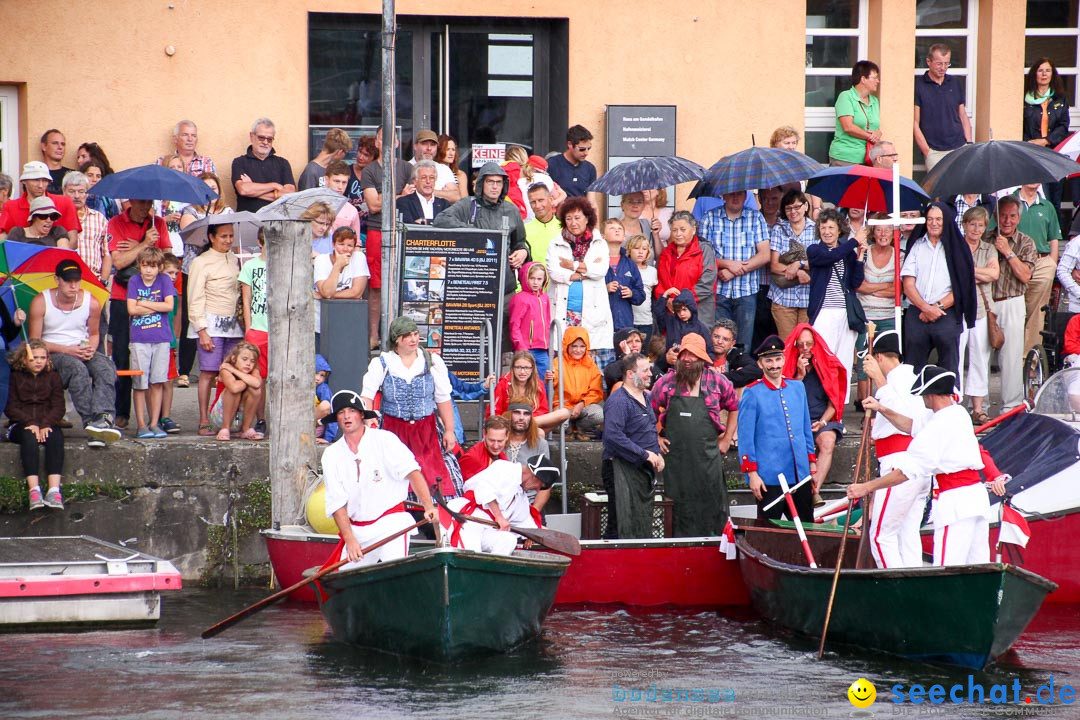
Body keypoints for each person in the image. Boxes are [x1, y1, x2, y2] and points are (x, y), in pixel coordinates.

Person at [847, 365, 1008, 566]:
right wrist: (882, 409)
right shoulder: (958, 413)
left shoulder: (938, 427)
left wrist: (866, 487)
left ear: (931, 395)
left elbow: (905, 473)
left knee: (947, 570)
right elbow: (912, 425)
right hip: (976, 500)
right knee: (978, 568)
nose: (922, 399)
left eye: (923, 394)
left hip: (955, 504)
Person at [322, 390, 438, 569]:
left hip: (391, 524)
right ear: (336, 418)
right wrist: (350, 540)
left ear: (361, 415)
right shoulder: (331, 454)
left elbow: (412, 472)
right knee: (342, 577)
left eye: (351, 411)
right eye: (341, 412)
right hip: (357, 531)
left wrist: (428, 506)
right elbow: (337, 502)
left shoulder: (385, 440)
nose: (347, 416)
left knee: (394, 570)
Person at [360, 316, 462, 501]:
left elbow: (443, 398)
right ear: (396, 339)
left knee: (436, 476)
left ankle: (436, 520)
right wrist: (369, 418)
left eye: (415, 334)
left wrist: (449, 430)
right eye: (408, 336)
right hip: (394, 431)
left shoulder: (432, 362)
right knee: (393, 477)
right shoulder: (382, 364)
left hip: (426, 431)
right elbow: (367, 395)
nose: (414, 339)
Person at [858, 330, 932, 568]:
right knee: (906, 534)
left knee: (881, 535)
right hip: (915, 467)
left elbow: (906, 419)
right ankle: (912, 585)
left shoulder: (896, 380)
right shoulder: (912, 376)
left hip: (899, 464)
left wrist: (879, 381)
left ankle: (897, 589)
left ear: (878, 358)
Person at [652, 333, 738, 536]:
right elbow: (650, 411)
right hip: (676, 461)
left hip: (708, 458)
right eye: (685, 354)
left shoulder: (718, 381)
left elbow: (735, 407)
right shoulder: (665, 383)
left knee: (712, 505)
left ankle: (713, 546)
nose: (688, 359)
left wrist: (726, 439)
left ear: (702, 359)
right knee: (677, 509)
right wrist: (656, 437)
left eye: (694, 355)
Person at [28, 259, 120, 447]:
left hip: (80, 349)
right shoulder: (41, 301)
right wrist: (67, 349)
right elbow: (35, 342)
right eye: (68, 280)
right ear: (57, 280)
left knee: (105, 366)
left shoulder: (91, 302)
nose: (73, 285)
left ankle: (104, 417)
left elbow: (94, 334)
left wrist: (90, 349)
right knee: (77, 369)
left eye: (77, 281)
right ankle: (91, 421)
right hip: (52, 352)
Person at [108, 197, 174, 429]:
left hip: (153, 296)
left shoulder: (159, 223)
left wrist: (139, 249)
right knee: (122, 355)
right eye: (141, 202)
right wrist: (144, 243)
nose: (145, 206)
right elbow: (119, 260)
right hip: (121, 296)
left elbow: (167, 259)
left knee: (152, 359)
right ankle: (121, 411)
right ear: (130, 201)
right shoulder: (116, 222)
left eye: (148, 202)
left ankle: (152, 419)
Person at [738, 335, 817, 522]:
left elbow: (805, 428)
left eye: (777, 359)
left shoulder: (797, 387)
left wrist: (811, 464)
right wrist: (752, 473)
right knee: (768, 533)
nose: (774, 365)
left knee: (807, 528)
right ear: (760, 364)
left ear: (784, 359)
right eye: (768, 361)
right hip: (769, 476)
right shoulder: (752, 393)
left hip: (800, 472)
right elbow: (745, 437)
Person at [901, 201, 975, 379]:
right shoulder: (917, 246)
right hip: (917, 314)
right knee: (912, 370)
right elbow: (908, 284)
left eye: (938, 219)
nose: (934, 223)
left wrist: (937, 308)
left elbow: (962, 287)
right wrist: (926, 308)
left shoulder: (959, 248)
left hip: (946, 314)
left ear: (946, 221)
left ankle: (949, 404)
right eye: (930, 219)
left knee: (948, 369)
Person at [435, 161, 531, 296]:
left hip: (505, 289)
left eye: (499, 182)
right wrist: (474, 232)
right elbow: (441, 220)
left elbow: (520, 242)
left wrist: (523, 252)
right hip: (475, 286)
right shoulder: (467, 204)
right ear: (481, 184)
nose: (495, 186)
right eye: (490, 182)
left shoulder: (512, 210)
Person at [187, 222, 243, 436]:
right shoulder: (201, 262)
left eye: (231, 236)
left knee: (233, 373)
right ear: (211, 237)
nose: (228, 240)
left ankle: (226, 420)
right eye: (223, 236)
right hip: (210, 322)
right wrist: (201, 329)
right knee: (209, 373)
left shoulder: (235, 260)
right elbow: (194, 296)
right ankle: (203, 419)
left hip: (234, 325)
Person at [177, 171, 232, 388]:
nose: (211, 193)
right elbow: (192, 234)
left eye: (214, 188)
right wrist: (210, 224)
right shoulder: (190, 211)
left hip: (220, 272)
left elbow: (229, 236)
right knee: (191, 318)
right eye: (205, 189)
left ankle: (220, 369)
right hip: (194, 270)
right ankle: (184, 370)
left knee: (217, 317)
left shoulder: (227, 211)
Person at [363, 126, 416, 347]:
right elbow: (373, 205)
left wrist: (389, 197)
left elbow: (415, 195)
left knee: (407, 284)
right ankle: (374, 335)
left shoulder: (407, 168)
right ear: (376, 142)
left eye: (390, 140)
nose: (386, 144)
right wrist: (399, 195)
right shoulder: (370, 171)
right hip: (377, 231)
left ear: (396, 143)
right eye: (381, 139)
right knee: (376, 286)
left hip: (404, 231)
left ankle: (403, 336)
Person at [546, 196, 614, 367]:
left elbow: (600, 271)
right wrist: (583, 271)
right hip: (564, 311)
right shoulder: (555, 243)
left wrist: (571, 265)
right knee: (563, 362)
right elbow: (554, 272)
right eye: (568, 218)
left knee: (591, 365)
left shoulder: (599, 243)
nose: (573, 223)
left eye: (577, 218)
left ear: (587, 218)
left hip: (593, 313)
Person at [807, 208, 866, 403]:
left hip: (846, 314)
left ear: (839, 229)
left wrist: (859, 256)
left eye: (831, 227)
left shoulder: (848, 251)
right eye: (823, 227)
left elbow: (856, 282)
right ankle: (821, 405)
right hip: (824, 312)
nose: (827, 231)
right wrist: (854, 241)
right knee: (823, 360)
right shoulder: (815, 251)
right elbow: (831, 257)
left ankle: (838, 409)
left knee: (844, 361)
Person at [603, 353, 664, 539]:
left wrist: (657, 453)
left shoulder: (646, 397)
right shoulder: (619, 401)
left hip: (641, 471)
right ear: (630, 374)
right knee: (620, 522)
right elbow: (612, 436)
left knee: (639, 521)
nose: (650, 374)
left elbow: (647, 431)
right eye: (645, 370)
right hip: (620, 469)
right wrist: (645, 454)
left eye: (650, 370)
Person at [445, 457, 554, 555]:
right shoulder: (504, 467)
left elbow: (525, 521)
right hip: (466, 519)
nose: (537, 490)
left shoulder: (521, 498)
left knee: (508, 540)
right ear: (534, 476)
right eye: (540, 485)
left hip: (486, 529)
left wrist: (535, 534)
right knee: (473, 555)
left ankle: (492, 573)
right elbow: (484, 488)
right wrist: (499, 516)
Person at [784, 324, 846, 497]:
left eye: (809, 344)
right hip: (795, 419)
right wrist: (800, 376)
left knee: (827, 442)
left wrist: (823, 422)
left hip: (822, 417)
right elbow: (785, 399)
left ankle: (813, 492)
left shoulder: (828, 364)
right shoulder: (788, 364)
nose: (805, 349)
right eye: (801, 344)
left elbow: (834, 403)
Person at [5, 340, 66, 510]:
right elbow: (10, 407)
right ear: (24, 359)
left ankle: (54, 490)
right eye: (34, 358)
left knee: (55, 437)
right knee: (29, 438)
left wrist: (46, 423)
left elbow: (58, 406)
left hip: (46, 422)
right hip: (21, 424)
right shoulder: (15, 377)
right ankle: (34, 490)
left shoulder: (53, 377)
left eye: (42, 358)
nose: (38, 361)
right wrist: (30, 422)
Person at [700, 190, 770, 337]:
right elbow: (702, 257)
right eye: (731, 193)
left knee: (743, 345)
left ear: (746, 196)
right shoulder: (709, 218)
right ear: (723, 195)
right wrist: (727, 264)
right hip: (718, 291)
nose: (736, 197)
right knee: (718, 343)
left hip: (746, 291)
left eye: (740, 193)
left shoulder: (756, 217)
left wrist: (734, 271)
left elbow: (764, 255)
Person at [991, 196, 1038, 412]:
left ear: (1018, 218)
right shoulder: (984, 237)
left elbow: (1025, 276)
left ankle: (1010, 408)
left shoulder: (1026, 242)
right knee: (980, 356)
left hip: (1012, 301)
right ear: (995, 216)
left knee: (1011, 357)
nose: (1007, 221)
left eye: (1012, 216)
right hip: (987, 303)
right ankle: (979, 408)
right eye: (1003, 215)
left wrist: (1008, 252)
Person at [126, 247, 176, 439]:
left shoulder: (164, 280)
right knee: (140, 384)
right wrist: (156, 307)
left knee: (157, 382)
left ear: (159, 267)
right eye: (145, 266)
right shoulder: (134, 281)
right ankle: (140, 424)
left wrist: (143, 303)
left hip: (161, 339)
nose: (148, 270)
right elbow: (131, 309)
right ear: (139, 266)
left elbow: (169, 306)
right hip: (139, 339)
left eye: (153, 266)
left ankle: (154, 423)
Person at [958, 207, 999, 424]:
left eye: (981, 225)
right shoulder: (956, 245)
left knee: (980, 360)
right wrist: (978, 273)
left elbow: (994, 274)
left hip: (982, 310)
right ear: (964, 224)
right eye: (972, 224)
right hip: (957, 308)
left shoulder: (989, 248)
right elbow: (952, 274)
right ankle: (955, 405)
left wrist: (967, 272)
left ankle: (978, 408)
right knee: (956, 357)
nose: (976, 228)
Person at [1012, 183, 1062, 354]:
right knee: (1015, 311)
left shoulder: (1047, 206)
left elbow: (1054, 237)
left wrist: (1052, 264)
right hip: (1014, 263)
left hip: (1041, 262)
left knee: (1037, 314)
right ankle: (1012, 358)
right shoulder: (1009, 201)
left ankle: (1029, 361)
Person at [854, 212, 897, 407]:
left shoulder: (899, 256)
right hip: (866, 316)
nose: (883, 233)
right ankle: (864, 404)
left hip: (889, 315)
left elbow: (899, 289)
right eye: (879, 229)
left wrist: (872, 287)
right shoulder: (864, 252)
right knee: (864, 360)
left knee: (888, 361)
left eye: (887, 229)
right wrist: (884, 286)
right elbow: (858, 285)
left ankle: (886, 402)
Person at [654, 211, 718, 333]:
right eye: (674, 230)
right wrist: (666, 299)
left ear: (693, 230)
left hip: (698, 313)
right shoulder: (666, 253)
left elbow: (707, 283)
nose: (678, 234)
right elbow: (659, 282)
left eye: (683, 229)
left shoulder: (704, 250)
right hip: (671, 313)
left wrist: (681, 302)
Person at [768, 189, 817, 342]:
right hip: (783, 299)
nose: (793, 211)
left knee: (806, 344)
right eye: (788, 208)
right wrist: (798, 272)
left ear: (806, 206)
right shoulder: (779, 229)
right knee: (787, 345)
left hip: (809, 298)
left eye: (797, 207)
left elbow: (819, 262)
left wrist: (799, 265)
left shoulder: (816, 229)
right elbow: (774, 266)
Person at [914, 44, 972, 171]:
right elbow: (914, 122)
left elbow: (962, 115)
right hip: (934, 151)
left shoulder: (955, 82)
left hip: (959, 147)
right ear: (928, 62)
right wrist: (927, 151)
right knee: (937, 190)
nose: (943, 68)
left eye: (947, 64)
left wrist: (968, 144)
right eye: (939, 64)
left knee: (962, 188)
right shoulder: (918, 85)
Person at [0, 161, 80, 245]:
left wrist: (55, 256)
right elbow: (2, 240)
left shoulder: (65, 203)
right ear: (24, 181)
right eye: (36, 180)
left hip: (56, 255)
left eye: (45, 181)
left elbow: (73, 241)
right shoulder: (10, 206)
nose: (41, 185)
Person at [313, 227, 370, 344]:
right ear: (333, 244)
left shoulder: (359, 258)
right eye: (341, 244)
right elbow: (327, 292)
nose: (345, 249)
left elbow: (356, 292)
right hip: (322, 322)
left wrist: (327, 296)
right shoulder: (321, 260)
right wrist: (337, 266)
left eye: (350, 246)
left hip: (349, 320)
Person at [492, 350, 570, 431]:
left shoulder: (538, 384)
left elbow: (543, 410)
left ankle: (527, 430)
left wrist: (527, 418)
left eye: (526, 368)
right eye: (518, 367)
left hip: (530, 425)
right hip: (509, 426)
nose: (522, 371)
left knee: (564, 413)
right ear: (512, 368)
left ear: (532, 369)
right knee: (540, 433)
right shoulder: (503, 384)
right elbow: (495, 411)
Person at [232, 117, 296, 213]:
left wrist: (253, 189)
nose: (265, 142)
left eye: (269, 139)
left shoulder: (283, 163)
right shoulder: (239, 162)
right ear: (251, 136)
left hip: (277, 223)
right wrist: (275, 186)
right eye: (261, 138)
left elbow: (290, 195)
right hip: (248, 222)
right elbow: (244, 190)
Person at [551, 327, 605, 439]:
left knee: (600, 415)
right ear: (566, 346)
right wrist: (549, 378)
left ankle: (579, 428)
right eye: (574, 346)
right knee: (559, 422)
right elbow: (551, 383)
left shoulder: (591, 365)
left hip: (584, 407)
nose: (578, 350)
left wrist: (581, 404)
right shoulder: (557, 363)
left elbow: (596, 391)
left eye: (582, 346)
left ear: (587, 347)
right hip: (563, 407)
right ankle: (568, 429)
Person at [828, 61, 882, 166]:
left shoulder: (874, 101)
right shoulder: (846, 97)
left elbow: (874, 126)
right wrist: (870, 136)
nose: (878, 81)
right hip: (845, 157)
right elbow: (848, 127)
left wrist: (878, 133)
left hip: (867, 158)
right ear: (863, 79)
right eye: (874, 78)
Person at [503, 400, 553, 513]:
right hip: (501, 504)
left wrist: (534, 513)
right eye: (517, 412)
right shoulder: (498, 442)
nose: (521, 418)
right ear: (509, 415)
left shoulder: (540, 444)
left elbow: (546, 485)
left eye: (526, 414)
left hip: (530, 503)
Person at [63, 172, 111, 283]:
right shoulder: (56, 217)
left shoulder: (99, 218)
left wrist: (103, 281)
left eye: (81, 191)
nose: (76, 196)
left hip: (93, 280)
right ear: (64, 192)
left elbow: (106, 254)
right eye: (71, 191)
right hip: (65, 281)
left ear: (88, 193)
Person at [508, 262, 552, 377]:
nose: (535, 282)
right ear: (525, 278)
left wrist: (548, 345)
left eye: (539, 279)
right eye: (532, 278)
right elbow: (515, 324)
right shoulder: (520, 298)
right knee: (526, 381)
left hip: (542, 349)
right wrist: (521, 347)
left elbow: (547, 322)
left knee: (544, 382)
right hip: (526, 349)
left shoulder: (544, 298)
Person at [214, 341, 264, 441]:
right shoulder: (226, 369)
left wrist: (235, 371)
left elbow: (257, 384)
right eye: (244, 359)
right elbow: (234, 388)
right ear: (234, 358)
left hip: (240, 418)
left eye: (252, 361)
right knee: (234, 391)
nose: (248, 363)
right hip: (220, 416)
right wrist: (248, 380)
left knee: (256, 391)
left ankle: (245, 429)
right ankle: (225, 428)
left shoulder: (253, 370)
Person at [653, 289, 712, 373]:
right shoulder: (671, 322)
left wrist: (702, 367)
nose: (681, 314)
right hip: (670, 368)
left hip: (694, 371)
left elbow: (709, 352)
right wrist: (665, 295)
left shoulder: (701, 328)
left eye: (684, 309)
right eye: (678, 311)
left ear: (692, 308)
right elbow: (658, 314)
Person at [604, 220, 645, 339]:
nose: (616, 230)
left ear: (624, 237)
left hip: (625, 323)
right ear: (603, 236)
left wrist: (631, 293)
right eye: (611, 228)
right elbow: (588, 292)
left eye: (619, 229)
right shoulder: (598, 260)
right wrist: (604, 289)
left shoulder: (630, 263)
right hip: (602, 324)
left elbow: (641, 295)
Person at [157, 254, 183, 434]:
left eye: (175, 273)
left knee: (169, 380)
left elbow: (174, 317)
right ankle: (155, 416)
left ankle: (166, 416)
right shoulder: (155, 291)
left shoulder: (173, 292)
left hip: (169, 341)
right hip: (154, 338)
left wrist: (175, 339)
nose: (173, 277)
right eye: (169, 273)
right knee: (155, 381)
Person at [239, 228, 269, 382]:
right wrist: (248, 327)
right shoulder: (250, 265)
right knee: (257, 376)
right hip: (257, 327)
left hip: (277, 328)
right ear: (259, 243)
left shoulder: (283, 264)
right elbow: (246, 299)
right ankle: (258, 407)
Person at [546, 124, 597, 200]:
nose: (586, 153)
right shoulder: (552, 164)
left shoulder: (590, 169)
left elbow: (592, 201)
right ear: (569, 144)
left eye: (589, 148)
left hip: (582, 210)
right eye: (582, 149)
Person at [710, 319, 762, 388]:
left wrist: (719, 377)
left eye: (725, 339)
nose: (719, 341)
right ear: (710, 337)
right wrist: (737, 375)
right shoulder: (702, 353)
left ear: (732, 343)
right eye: (716, 336)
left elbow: (757, 371)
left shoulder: (736, 356)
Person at [5, 197, 74, 247]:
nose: (49, 220)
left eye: (53, 216)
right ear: (34, 217)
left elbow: (63, 254)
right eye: (43, 216)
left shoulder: (57, 231)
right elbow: (9, 257)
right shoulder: (17, 232)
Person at [624, 234, 657, 341]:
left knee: (644, 354)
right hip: (628, 320)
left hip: (645, 320)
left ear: (648, 252)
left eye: (644, 249)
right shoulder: (624, 269)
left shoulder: (652, 271)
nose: (640, 252)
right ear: (629, 250)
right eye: (636, 248)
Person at [397, 160, 449, 224]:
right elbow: (407, 226)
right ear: (414, 181)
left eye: (432, 178)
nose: (428, 181)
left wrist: (425, 221)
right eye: (424, 178)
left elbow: (449, 223)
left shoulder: (444, 204)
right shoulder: (404, 202)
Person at [459, 415, 511, 480]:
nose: (495, 446)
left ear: (507, 436)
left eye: (500, 441)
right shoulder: (473, 458)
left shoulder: (501, 456)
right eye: (491, 440)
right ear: (484, 434)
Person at [524, 183, 562, 267]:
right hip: (533, 279)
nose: (537, 206)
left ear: (551, 200)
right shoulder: (524, 230)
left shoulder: (563, 228)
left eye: (541, 200)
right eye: (533, 202)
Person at [39, 129, 72, 195]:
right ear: (43, 146)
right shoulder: (35, 175)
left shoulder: (72, 175)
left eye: (63, 144)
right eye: (55, 143)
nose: (60, 147)